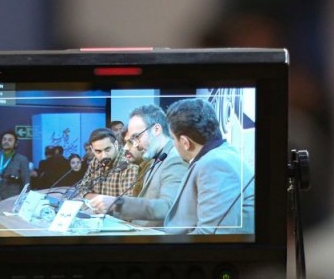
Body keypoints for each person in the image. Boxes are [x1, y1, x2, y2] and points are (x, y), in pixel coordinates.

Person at [85, 104, 187, 227]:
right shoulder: (157, 158)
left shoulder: (174, 158)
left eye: (137, 137)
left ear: (156, 129)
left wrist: (116, 203)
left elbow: (168, 207)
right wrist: (109, 209)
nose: (136, 145)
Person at [162, 98, 252, 234]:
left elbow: (210, 236)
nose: (173, 144)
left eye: (173, 139)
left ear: (185, 142)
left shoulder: (215, 165)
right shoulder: (218, 157)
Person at [73, 127, 137, 198]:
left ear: (116, 144)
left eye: (107, 150)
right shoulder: (95, 161)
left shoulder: (128, 163)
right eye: (98, 151)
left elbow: (128, 200)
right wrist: (98, 199)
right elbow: (82, 187)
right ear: (92, 149)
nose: (104, 156)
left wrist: (104, 201)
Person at [0, 130, 30, 199]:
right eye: (4, 139)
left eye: (10, 140)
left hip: (13, 197)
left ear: (16, 143)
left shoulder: (22, 159)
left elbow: (26, 182)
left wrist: (26, 198)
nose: (6, 141)